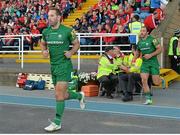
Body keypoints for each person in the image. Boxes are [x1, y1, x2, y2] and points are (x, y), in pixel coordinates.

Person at [40, 7, 85, 132]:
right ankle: (79, 96)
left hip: (64, 66)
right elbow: (42, 43)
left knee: (58, 95)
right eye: (48, 15)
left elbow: (77, 44)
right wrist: (44, 51)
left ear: (59, 17)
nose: (49, 18)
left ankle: (57, 122)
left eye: (52, 15)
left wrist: (71, 52)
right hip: (53, 66)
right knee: (63, 95)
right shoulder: (46, 32)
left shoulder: (68, 31)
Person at [136, 26, 165, 105]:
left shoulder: (153, 39)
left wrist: (151, 55)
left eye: (143, 31)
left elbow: (160, 49)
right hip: (145, 63)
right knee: (144, 80)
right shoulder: (139, 42)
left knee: (156, 82)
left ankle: (161, 80)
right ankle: (148, 99)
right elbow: (137, 53)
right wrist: (134, 58)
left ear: (147, 32)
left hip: (153, 62)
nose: (142, 32)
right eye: (141, 31)